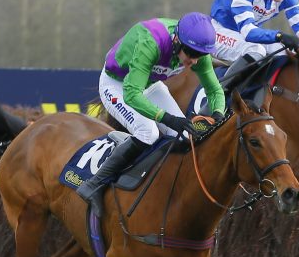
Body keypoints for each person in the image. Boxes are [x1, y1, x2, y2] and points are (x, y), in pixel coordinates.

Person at [76, 12, 227, 215]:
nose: (194, 60)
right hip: (118, 85)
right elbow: (131, 95)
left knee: (184, 135)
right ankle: (94, 184)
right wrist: (167, 118)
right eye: (191, 53)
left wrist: (218, 114)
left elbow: (215, 90)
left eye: (199, 55)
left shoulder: (197, 51)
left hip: (150, 84)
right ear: (177, 40)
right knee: (149, 132)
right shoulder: (151, 43)